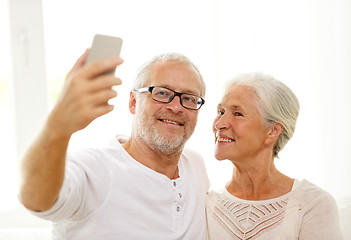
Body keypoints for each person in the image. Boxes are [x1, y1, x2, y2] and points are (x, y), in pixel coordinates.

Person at [20, 50, 209, 240]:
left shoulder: (195, 165)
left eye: (189, 98)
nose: (176, 107)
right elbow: (35, 199)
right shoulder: (95, 169)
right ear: (133, 102)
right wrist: (58, 125)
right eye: (161, 93)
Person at [206, 72, 343, 240]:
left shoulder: (312, 204)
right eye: (220, 112)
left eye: (238, 114)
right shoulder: (205, 204)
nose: (219, 124)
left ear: (273, 131)